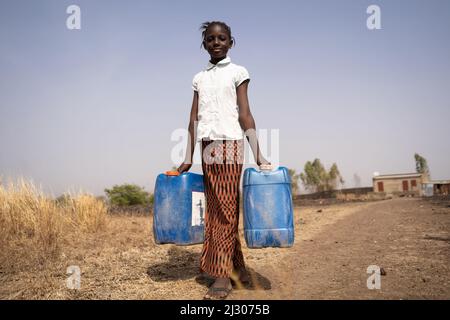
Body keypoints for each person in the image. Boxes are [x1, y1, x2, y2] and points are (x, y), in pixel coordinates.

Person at [177, 21, 270, 300]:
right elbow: (194, 119)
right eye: (210, 39)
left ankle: (221, 276)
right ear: (204, 44)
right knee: (218, 206)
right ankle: (238, 268)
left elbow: (245, 114)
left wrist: (258, 153)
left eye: (222, 38)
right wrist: (186, 157)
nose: (216, 42)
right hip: (207, 147)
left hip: (230, 145)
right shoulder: (199, 78)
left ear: (231, 42)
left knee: (226, 209)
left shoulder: (238, 73)